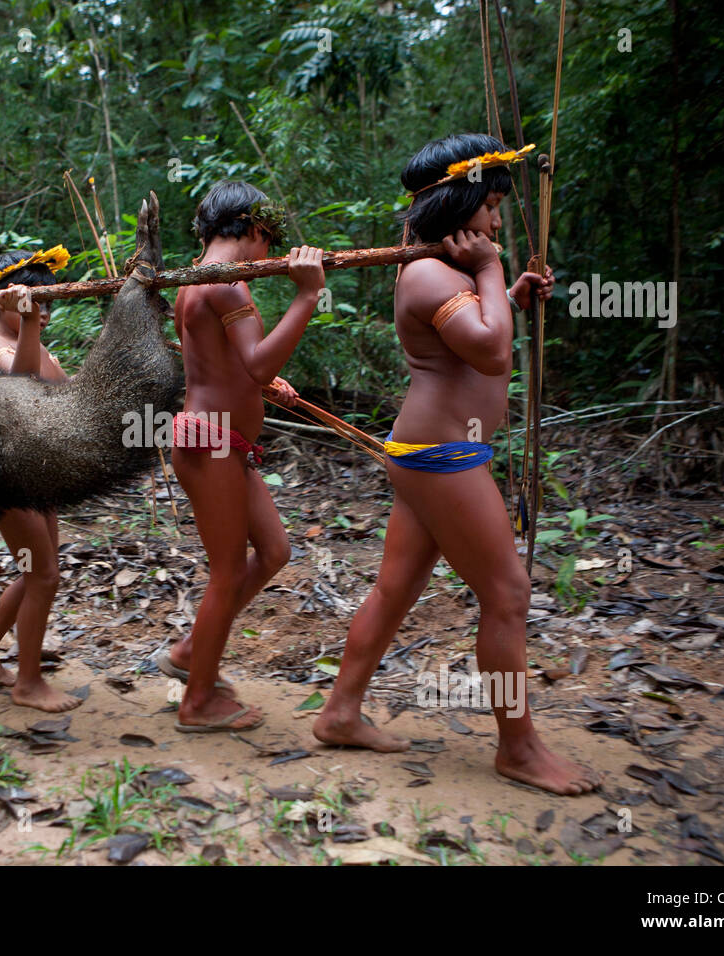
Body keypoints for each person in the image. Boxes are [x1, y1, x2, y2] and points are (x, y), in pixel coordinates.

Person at [313, 134, 598, 796]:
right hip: (442, 459)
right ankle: (519, 750)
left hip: (432, 454)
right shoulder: (430, 273)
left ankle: (339, 712)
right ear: (459, 205)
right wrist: (496, 272)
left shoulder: (444, 273)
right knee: (507, 595)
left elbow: (478, 335)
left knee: (395, 591)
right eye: (491, 207)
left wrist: (512, 293)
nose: (496, 224)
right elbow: (491, 353)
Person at [164, 180, 325, 732]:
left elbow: (229, 365)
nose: (271, 255)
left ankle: (191, 654)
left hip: (218, 441)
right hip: (210, 442)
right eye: (269, 240)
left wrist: (264, 381)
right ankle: (198, 701)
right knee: (229, 573)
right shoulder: (228, 283)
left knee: (275, 550)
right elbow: (254, 363)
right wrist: (306, 295)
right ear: (253, 229)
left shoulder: (195, 279)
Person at [0, 247, 83, 713]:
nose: (43, 311)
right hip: (7, 476)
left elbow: (63, 397)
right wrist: (27, 321)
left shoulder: (36, 341)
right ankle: (28, 683)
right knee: (43, 575)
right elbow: (22, 385)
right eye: (34, 301)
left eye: (47, 302)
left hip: (39, 474)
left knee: (39, 568)